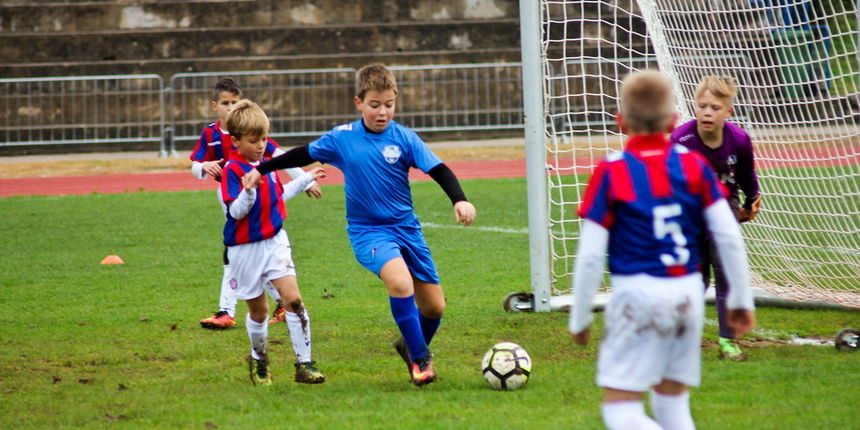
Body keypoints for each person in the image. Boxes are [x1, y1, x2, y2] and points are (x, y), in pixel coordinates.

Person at [242, 63, 477, 386]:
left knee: (435, 308)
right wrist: (264, 168)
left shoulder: (405, 138)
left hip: (407, 229)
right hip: (369, 232)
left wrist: (459, 199)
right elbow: (301, 154)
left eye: (389, 105)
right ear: (359, 103)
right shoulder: (343, 138)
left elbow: (439, 170)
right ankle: (421, 360)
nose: (383, 112)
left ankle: (408, 345)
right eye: (375, 105)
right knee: (400, 283)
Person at [568, 71, 756, 429]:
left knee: (621, 409)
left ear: (621, 122)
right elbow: (729, 236)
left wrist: (579, 317)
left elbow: (591, 254)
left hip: (637, 293)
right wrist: (741, 301)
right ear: (672, 120)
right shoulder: (694, 165)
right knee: (672, 406)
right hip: (686, 295)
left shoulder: (611, 170)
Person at [189, 77, 323, 330]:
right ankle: (275, 304)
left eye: (235, 102)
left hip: (257, 191)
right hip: (231, 196)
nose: (230, 108)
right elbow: (196, 164)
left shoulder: (252, 131)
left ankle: (227, 311)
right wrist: (201, 167)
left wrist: (305, 181)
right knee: (244, 249)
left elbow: (281, 157)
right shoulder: (211, 133)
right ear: (215, 106)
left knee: (240, 250)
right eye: (225, 103)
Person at [221, 99, 327, 385]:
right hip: (244, 250)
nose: (260, 145)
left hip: (275, 242)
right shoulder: (232, 170)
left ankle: (305, 365)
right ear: (236, 141)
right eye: (254, 140)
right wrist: (249, 191)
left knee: (293, 299)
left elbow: (278, 197)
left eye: (264, 139)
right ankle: (259, 360)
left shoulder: (267, 166)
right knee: (259, 312)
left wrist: (306, 179)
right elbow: (235, 212)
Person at [670, 75, 762, 361]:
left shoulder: (739, 140)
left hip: (725, 212)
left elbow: (747, 176)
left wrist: (753, 198)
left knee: (726, 277)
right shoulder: (681, 139)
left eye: (715, 108)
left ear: (728, 112)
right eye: (702, 106)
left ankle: (728, 342)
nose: (707, 112)